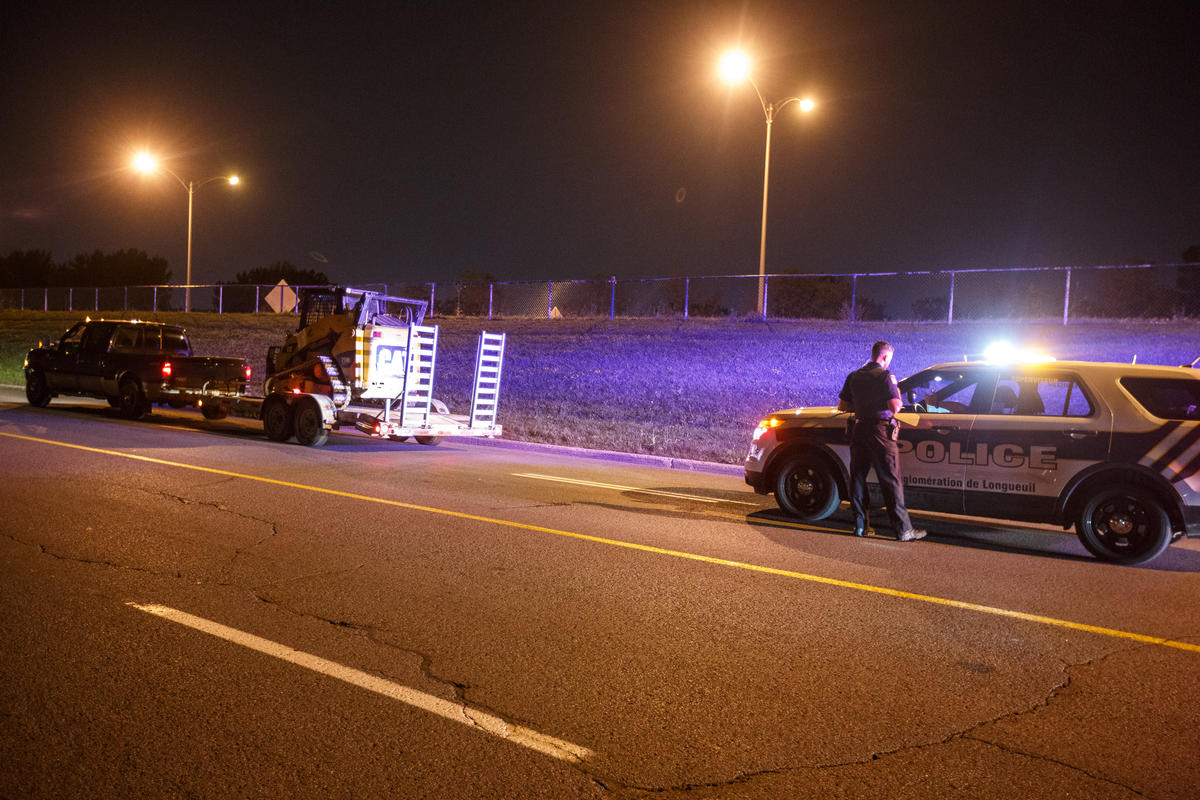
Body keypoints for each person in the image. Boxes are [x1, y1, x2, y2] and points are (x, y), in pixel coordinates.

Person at [837, 341, 927, 542]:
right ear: (885, 357)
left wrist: (863, 404)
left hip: (859, 429)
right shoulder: (886, 376)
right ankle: (903, 529)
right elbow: (895, 406)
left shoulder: (854, 376)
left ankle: (861, 526)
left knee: (858, 478)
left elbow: (842, 405)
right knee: (890, 480)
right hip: (880, 431)